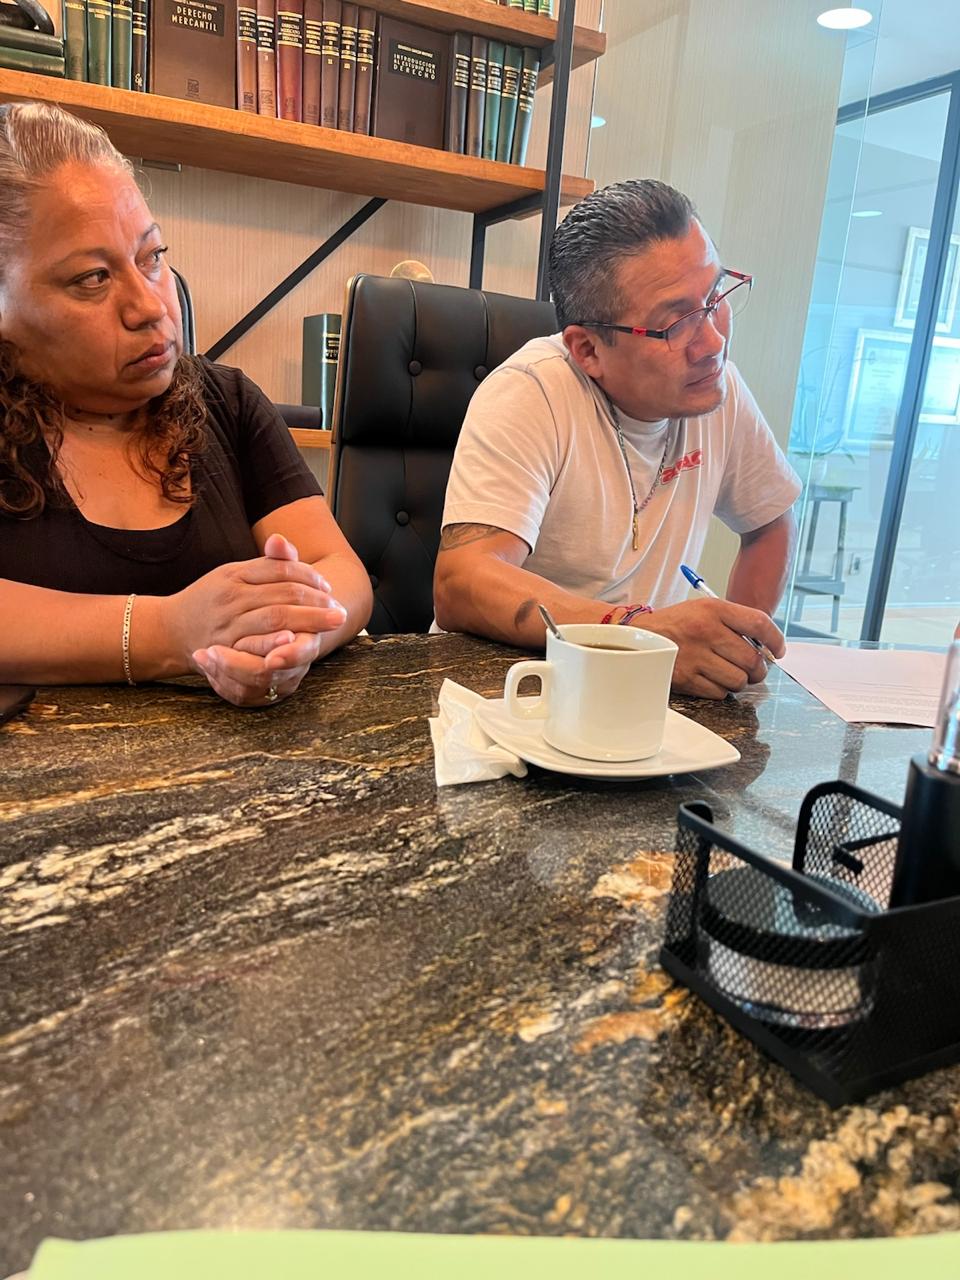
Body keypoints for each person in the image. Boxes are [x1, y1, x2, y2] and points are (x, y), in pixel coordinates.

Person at [0, 102, 372, 708]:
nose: (149, 306)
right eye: (92, 278)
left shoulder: (228, 401)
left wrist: (288, 639)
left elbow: (340, 570)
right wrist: (173, 631)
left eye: (152, 257)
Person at [434, 179, 801, 699]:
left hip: (640, 693)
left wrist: (735, 653)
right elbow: (461, 582)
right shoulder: (532, 392)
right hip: (514, 691)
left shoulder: (717, 388)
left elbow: (770, 523)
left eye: (715, 296)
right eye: (676, 323)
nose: (713, 341)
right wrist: (635, 632)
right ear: (588, 351)